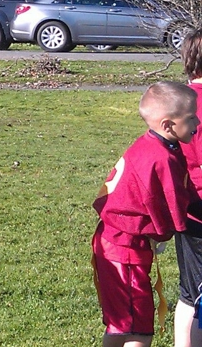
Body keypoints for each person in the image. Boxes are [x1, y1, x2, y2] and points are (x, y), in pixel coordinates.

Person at [91, 81, 201, 347]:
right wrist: (166, 232)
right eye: (191, 119)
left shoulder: (160, 146)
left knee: (125, 323)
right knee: (135, 328)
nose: (198, 122)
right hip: (123, 247)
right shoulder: (160, 157)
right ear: (168, 125)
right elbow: (172, 205)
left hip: (122, 242)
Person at [174, 28, 202, 347]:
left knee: (190, 291)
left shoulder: (176, 99)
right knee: (199, 298)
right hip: (199, 210)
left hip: (184, 206)